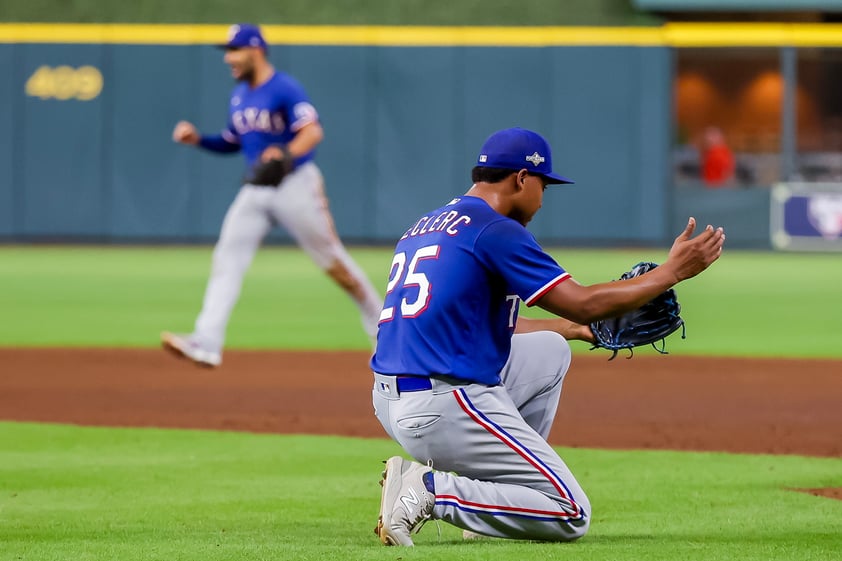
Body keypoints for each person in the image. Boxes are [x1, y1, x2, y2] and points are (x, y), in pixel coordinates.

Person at [370, 127, 725, 546]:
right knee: (570, 512)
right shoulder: (496, 230)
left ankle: (489, 504)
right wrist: (672, 272)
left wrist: (573, 331)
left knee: (551, 351)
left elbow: (475, 324)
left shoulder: (427, 225)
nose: (542, 198)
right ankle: (431, 491)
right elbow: (583, 302)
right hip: (441, 406)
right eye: (543, 184)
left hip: (392, 397)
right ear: (521, 178)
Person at [161, 24, 382, 367]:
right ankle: (206, 340)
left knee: (334, 264)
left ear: (256, 50)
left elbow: (312, 131)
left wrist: (285, 155)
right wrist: (199, 140)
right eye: (227, 52)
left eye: (234, 50)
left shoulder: (284, 88)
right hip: (256, 188)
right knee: (227, 259)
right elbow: (233, 141)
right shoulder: (240, 95)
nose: (229, 58)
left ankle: (385, 331)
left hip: (295, 185)